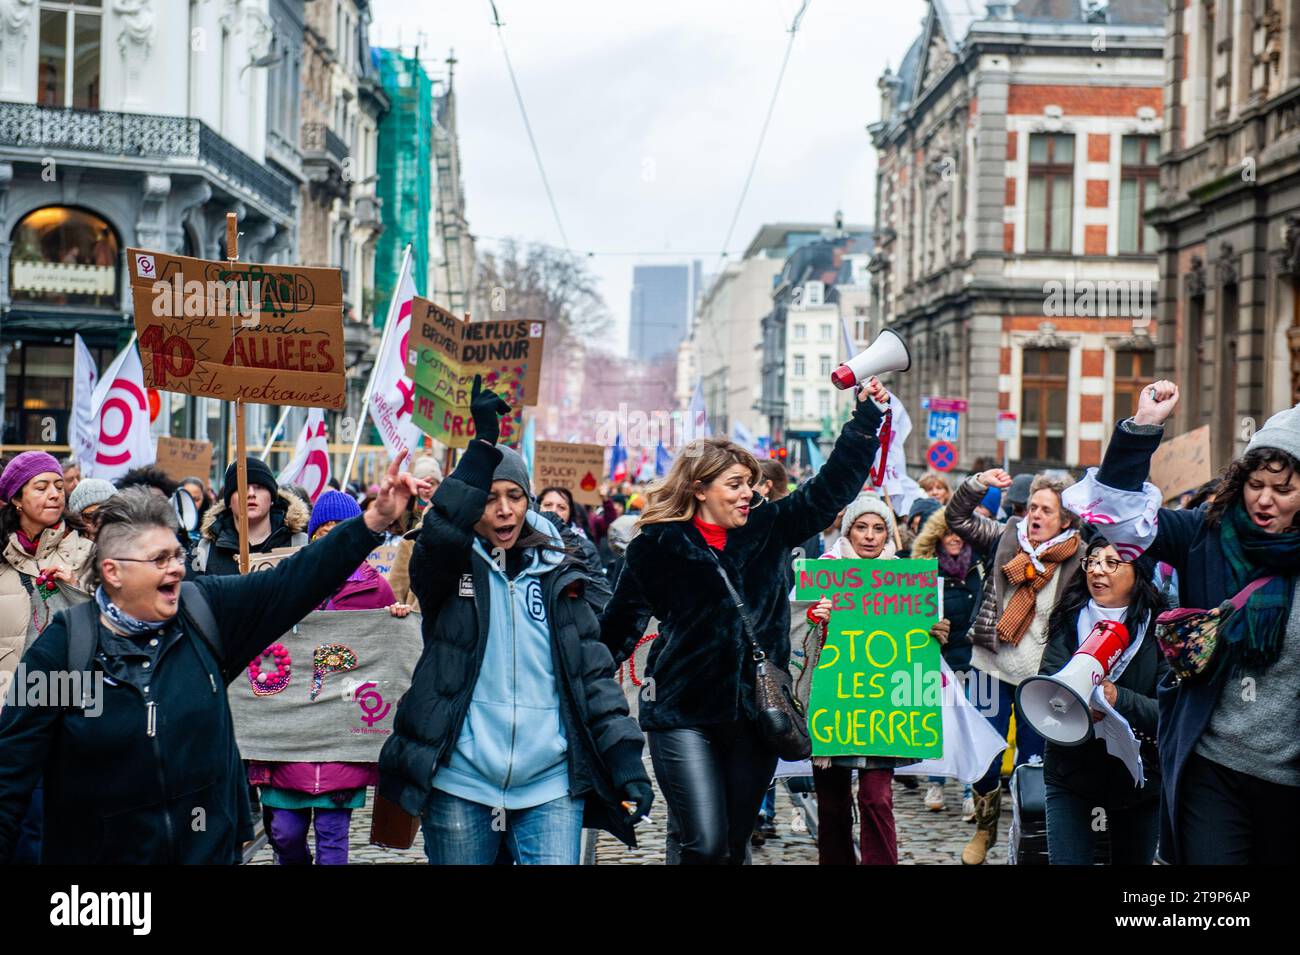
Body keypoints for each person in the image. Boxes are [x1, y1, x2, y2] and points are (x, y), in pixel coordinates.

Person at [0, 455, 429, 864]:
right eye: (158, 560)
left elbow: (295, 580)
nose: (175, 570)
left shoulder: (205, 615)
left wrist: (373, 521)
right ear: (113, 571)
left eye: (176, 556)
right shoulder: (64, 649)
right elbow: (11, 772)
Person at [600, 377, 889, 864]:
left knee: (732, 845)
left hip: (758, 716)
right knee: (704, 842)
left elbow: (831, 488)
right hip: (682, 714)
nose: (747, 494)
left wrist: (865, 421)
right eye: (734, 484)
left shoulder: (770, 526)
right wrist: (575, 685)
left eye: (750, 484)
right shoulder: (655, 545)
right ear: (699, 488)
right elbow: (618, 628)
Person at [379, 377, 653, 865]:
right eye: (488, 497)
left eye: (515, 496)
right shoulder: (448, 566)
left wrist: (626, 760)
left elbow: (592, 677)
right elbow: (440, 531)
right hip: (460, 778)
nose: (504, 509)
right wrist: (481, 448)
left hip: (549, 782)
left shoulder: (562, 577)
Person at [1086, 384, 1300, 864]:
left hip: (1289, 780)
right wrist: (1142, 428)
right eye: (1256, 484)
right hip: (1211, 765)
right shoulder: (1205, 532)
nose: (1265, 500)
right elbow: (1117, 522)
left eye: (1283, 490)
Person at [250, 490, 410, 866]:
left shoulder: (376, 590)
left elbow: (386, 653)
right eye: (325, 531)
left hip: (341, 741)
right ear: (313, 538)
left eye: (343, 530)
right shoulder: (289, 582)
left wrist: (397, 619)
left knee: (333, 836)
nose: (335, 538)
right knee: (284, 834)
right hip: (288, 738)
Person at [946, 467, 1081, 864]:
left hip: (1041, 680)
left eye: (1046, 511)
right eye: (1032, 508)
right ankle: (984, 830)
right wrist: (977, 485)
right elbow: (957, 518)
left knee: (1032, 764)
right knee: (985, 755)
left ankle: (1027, 837)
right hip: (990, 666)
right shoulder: (1006, 537)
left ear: (1066, 520)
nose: (1035, 516)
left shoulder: (1080, 559)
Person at [1037, 536, 1167, 865]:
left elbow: (1169, 711)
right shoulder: (1069, 618)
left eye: (1112, 563)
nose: (1098, 570)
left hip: (1141, 779)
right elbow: (1047, 691)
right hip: (1071, 772)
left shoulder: (1160, 629)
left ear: (1139, 572)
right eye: (1092, 561)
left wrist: (1117, 698)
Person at [802, 491, 909, 864]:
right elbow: (795, 636)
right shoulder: (822, 574)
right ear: (848, 532)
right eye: (861, 527)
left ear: (886, 535)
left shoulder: (905, 581)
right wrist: (816, 618)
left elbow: (914, 646)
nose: (869, 535)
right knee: (832, 806)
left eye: (878, 528)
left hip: (882, 708)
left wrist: (935, 630)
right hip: (832, 706)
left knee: (876, 799)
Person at [913, 507, 987, 818]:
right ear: (937, 536)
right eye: (947, 532)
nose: (954, 538)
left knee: (972, 725)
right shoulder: (925, 571)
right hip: (937, 657)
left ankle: (973, 790)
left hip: (975, 658)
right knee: (939, 724)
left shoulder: (980, 567)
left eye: (959, 532)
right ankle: (937, 782)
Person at [193, 458, 309, 575]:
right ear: (228, 501)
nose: (251, 494)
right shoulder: (202, 551)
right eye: (241, 487)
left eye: (259, 487)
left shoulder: (302, 544)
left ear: (272, 498)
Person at [538, 485, 602, 570]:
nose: (553, 511)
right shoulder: (523, 539)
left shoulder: (585, 547)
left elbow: (597, 581)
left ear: (570, 513)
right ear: (537, 508)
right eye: (548, 505)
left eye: (561, 507)